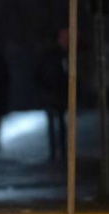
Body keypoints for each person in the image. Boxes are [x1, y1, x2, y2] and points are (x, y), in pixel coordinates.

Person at [35, 29, 69, 161]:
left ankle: (56, 151)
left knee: (56, 123)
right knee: (58, 123)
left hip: (53, 92)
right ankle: (58, 151)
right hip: (54, 92)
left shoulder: (53, 55)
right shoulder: (58, 55)